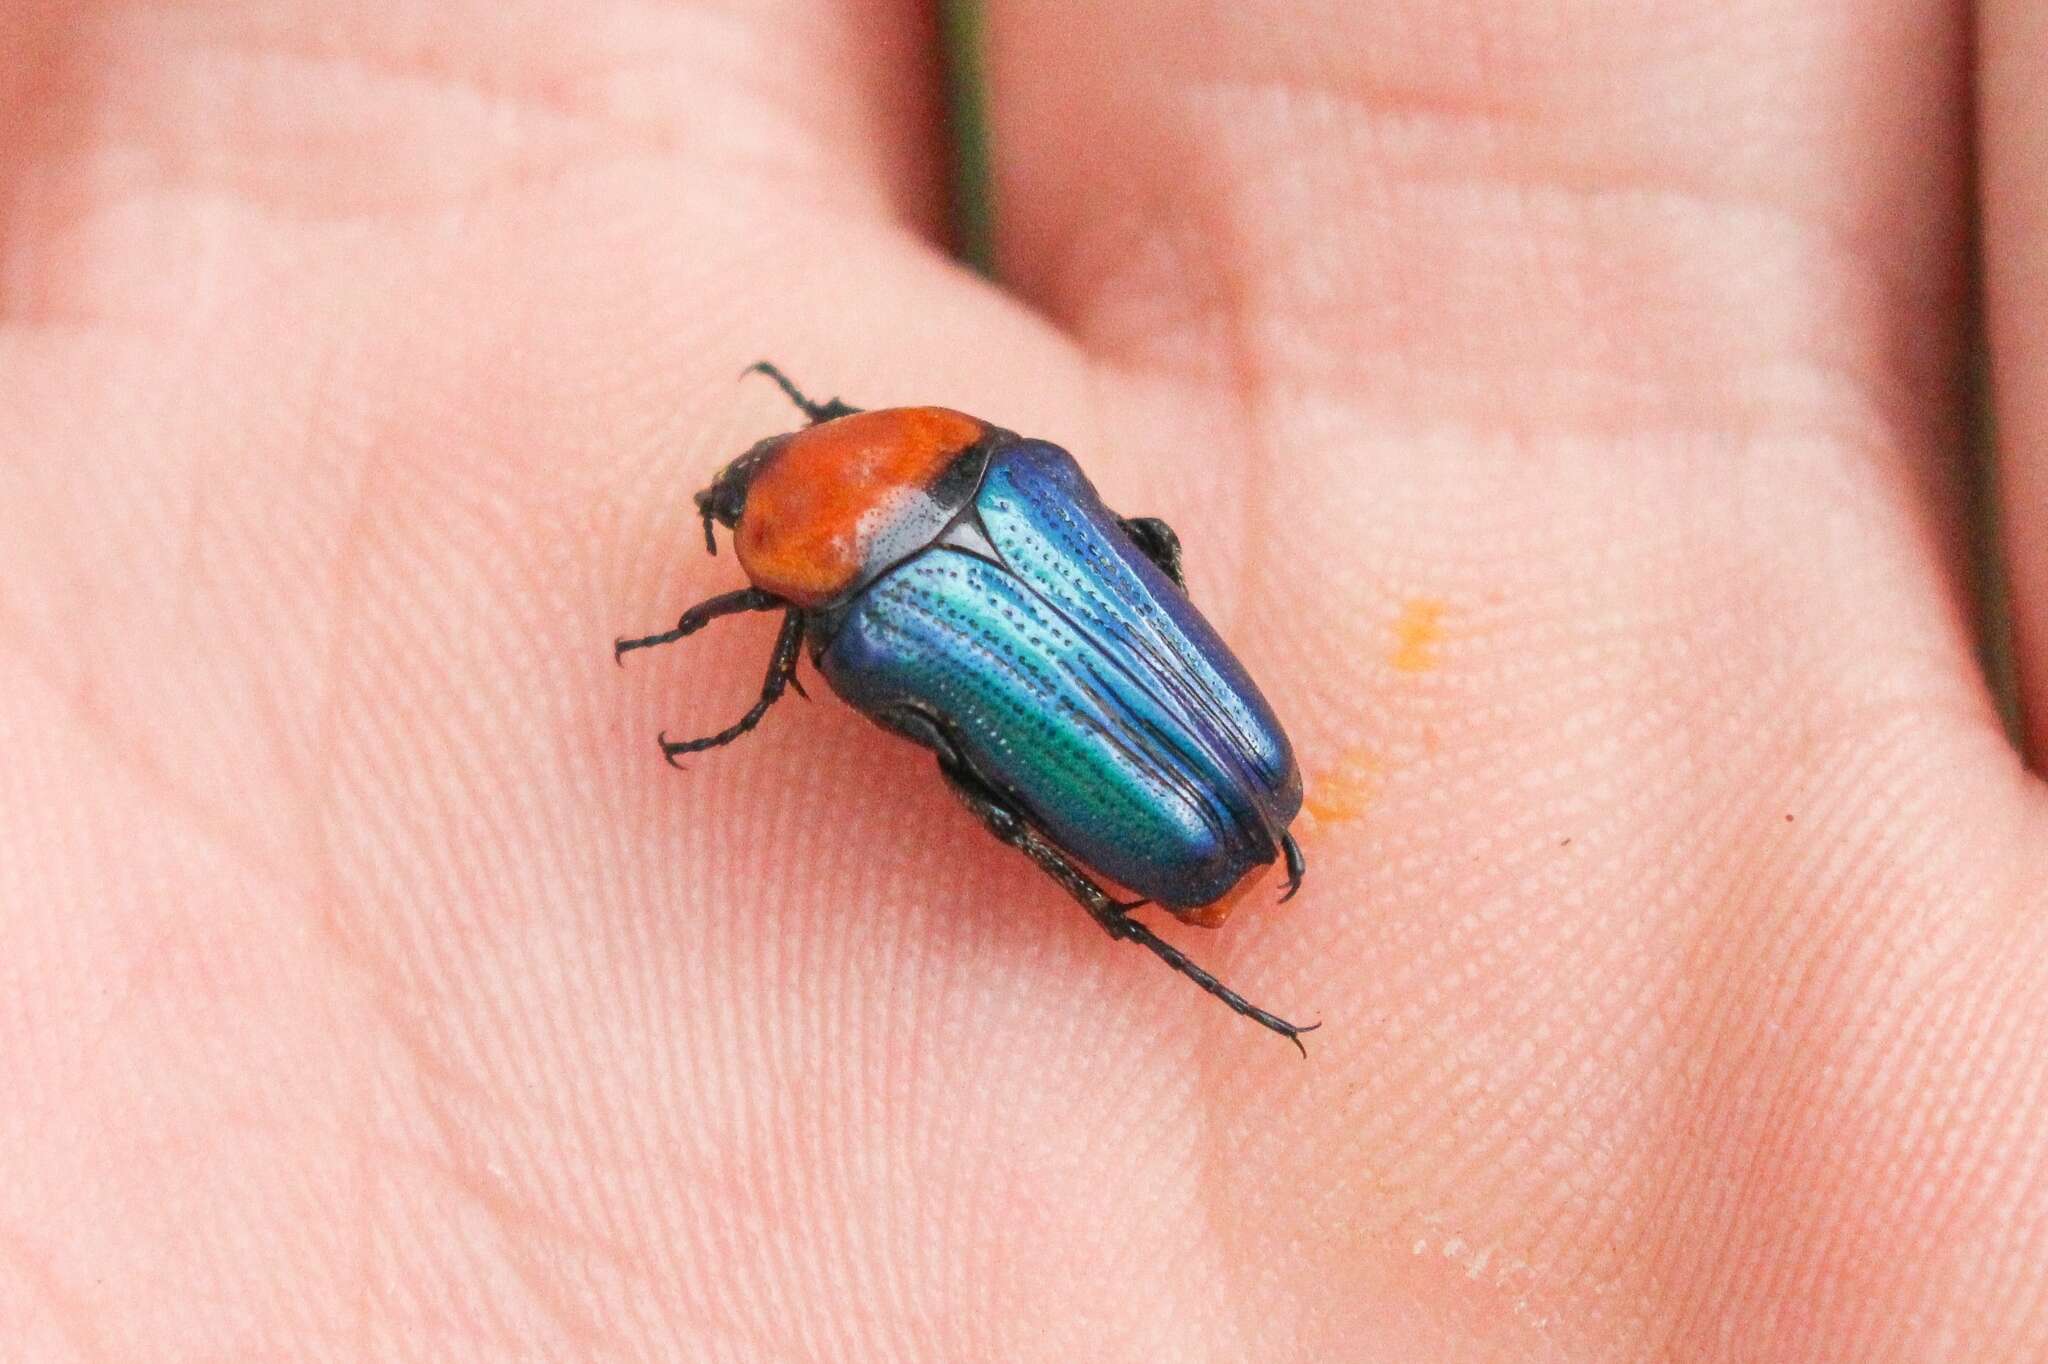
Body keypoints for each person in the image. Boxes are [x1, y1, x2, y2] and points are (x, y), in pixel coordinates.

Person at [3, 0, 2043, 1357]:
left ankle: (1178, 938)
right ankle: (1192, 926)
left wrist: (727, 663)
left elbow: (787, 625)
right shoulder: (982, 475)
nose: (748, 522)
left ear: (794, 541)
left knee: (970, 774)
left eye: (752, 529)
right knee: (1053, 662)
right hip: (1206, 745)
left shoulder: (847, 616)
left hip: (1166, 782)